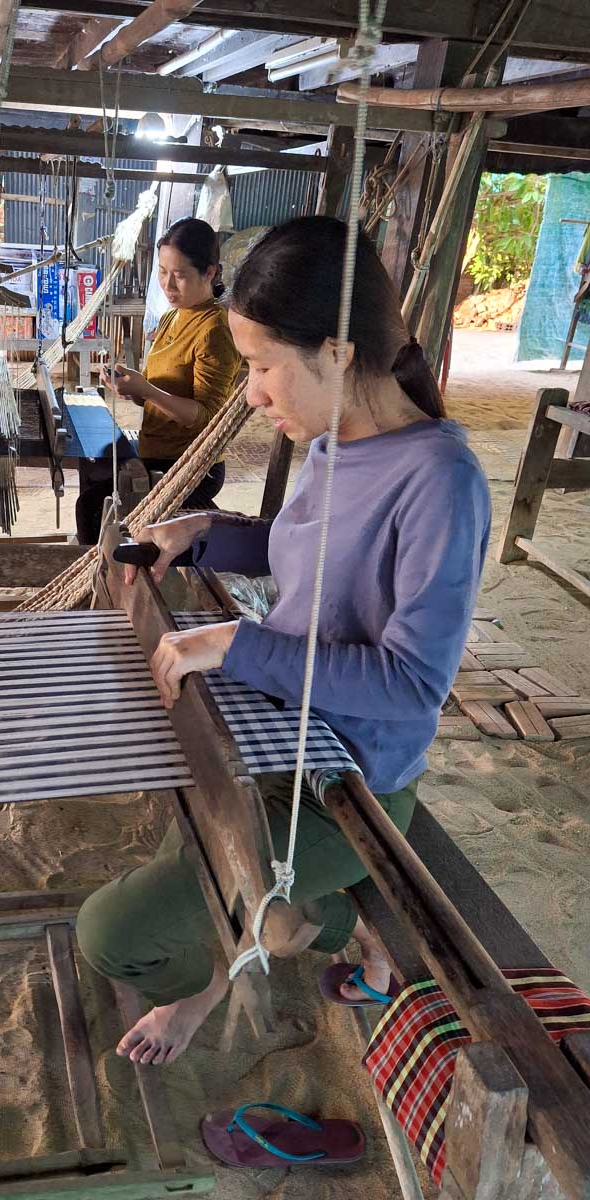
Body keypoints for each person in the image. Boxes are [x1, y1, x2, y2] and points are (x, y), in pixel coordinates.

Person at [76, 216, 492, 1072]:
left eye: (264, 368)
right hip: (274, 733)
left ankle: (322, 921)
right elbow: (300, 546)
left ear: (337, 352)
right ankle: (270, 937)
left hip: (347, 782)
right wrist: (203, 533)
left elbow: (412, 685)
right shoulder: (337, 440)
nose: (254, 394)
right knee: (192, 851)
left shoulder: (443, 483)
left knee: (111, 937)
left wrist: (239, 644)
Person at [74, 217, 242, 545]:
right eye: (162, 272)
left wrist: (146, 389)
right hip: (158, 448)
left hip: (192, 465)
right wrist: (132, 389)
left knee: (93, 506)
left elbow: (207, 418)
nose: (168, 285)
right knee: (94, 472)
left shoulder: (215, 330)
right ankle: (102, 573)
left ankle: (103, 582)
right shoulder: (171, 317)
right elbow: (155, 395)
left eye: (179, 275)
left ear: (210, 272)